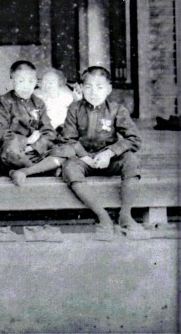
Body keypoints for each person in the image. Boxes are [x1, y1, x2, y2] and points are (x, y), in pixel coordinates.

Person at [54, 66, 144, 239]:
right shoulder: (74, 109)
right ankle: (103, 216)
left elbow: (134, 139)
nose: (94, 92)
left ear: (109, 89)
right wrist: (84, 156)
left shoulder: (117, 109)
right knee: (69, 168)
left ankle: (125, 215)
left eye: (100, 87)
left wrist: (110, 153)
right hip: (83, 159)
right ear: (81, 88)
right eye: (88, 87)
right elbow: (67, 139)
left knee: (131, 160)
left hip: (109, 159)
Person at [0, 61, 57, 186]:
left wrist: (34, 146)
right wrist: (26, 141)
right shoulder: (4, 102)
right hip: (15, 151)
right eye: (21, 81)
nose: (26, 86)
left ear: (36, 82)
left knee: (65, 149)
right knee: (10, 150)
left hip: (35, 151)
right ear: (12, 81)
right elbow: (1, 132)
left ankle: (23, 171)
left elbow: (48, 131)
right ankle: (41, 171)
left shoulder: (38, 103)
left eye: (30, 81)